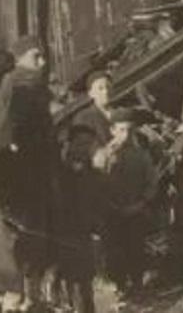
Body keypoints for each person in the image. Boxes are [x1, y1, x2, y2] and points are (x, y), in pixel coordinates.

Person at [0, 36, 55, 313]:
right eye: (35, 56)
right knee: (13, 236)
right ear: (19, 59)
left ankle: (24, 295)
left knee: (21, 235)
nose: (41, 62)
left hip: (20, 171)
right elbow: (12, 134)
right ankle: (15, 295)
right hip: (13, 174)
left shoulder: (25, 84)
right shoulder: (22, 84)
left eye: (42, 56)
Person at [94, 107, 157, 302]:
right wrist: (111, 206)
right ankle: (119, 286)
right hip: (111, 214)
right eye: (121, 130)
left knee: (136, 248)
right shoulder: (103, 154)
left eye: (130, 130)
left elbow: (151, 182)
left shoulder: (141, 155)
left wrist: (141, 203)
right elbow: (96, 183)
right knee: (114, 251)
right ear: (112, 130)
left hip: (136, 211)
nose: (126, 135)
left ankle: (137, 285)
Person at [54, 125, 106, 313]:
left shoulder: (93, 175)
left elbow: (98, 205)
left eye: (90, 144)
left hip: (82, 236)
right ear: (69, 144)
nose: (87, 148)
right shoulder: (57, 174)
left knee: (82, 284)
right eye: (82, 143)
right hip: (57, 236)